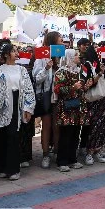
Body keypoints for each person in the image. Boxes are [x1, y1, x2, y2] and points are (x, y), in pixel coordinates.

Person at [0, 41, 35, 180]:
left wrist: (28, 108)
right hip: (2, 105)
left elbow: (28, 89)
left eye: (16, 51)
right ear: (6, 54)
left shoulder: (22, 70)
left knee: (13, 136)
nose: (16, 53)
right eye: (13, 51)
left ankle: (13, 169)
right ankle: (1, 168)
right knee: (1, 135)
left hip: (17, 103)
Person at [54, 49, 88, 171]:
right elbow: (57, 89)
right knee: (66, 134)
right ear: (70, 57)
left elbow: (81, 88)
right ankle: (62, 161)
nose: (79, 56)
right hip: (67, 107)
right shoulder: (61, 72)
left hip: (78, 107)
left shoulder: (79, 71)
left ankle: (72, 159)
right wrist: (72, 87)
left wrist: (85, 86)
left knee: (75, 133)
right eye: (76, 55)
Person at [33, 31, 63, 168]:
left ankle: (57, 152)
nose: (62, 43)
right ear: (53, 42)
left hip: (59, 95)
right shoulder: (41, 57)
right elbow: (37, 79)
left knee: (57, 126)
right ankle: (45, 155)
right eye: (60, 40)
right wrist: (46, 68)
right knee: (46, 125)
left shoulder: (62, 57)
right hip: (46, 95)